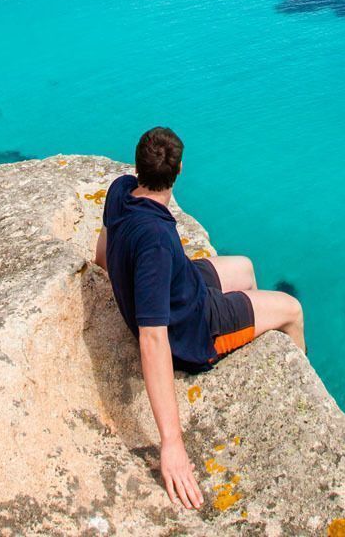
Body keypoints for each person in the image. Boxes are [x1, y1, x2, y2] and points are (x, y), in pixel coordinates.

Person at [94, 127, 305, 510]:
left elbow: (102, 256)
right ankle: (305, 396)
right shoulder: (157, 238)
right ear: (179, 171)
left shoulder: (120, 189)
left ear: (138, 165)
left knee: (244, 266)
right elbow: (152, 338)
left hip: (184, 285)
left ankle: (250, 310)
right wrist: (171, 443)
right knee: (292, 310)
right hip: (196, 329)